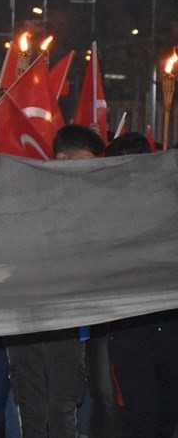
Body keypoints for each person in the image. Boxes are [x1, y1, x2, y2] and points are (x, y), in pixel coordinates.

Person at [5, 124, 105, 438]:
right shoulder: (27, 196)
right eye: (86, 162)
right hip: (28, 315)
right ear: (61, 158)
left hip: (69, 316)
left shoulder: (93, 204)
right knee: (31, 400)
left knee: (64, 400)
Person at [105, 132, 177, 437]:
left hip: (168, 318)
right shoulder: (105, 211)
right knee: (141, 408)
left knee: (168, 405)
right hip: (129, 322)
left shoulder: (168, 200)